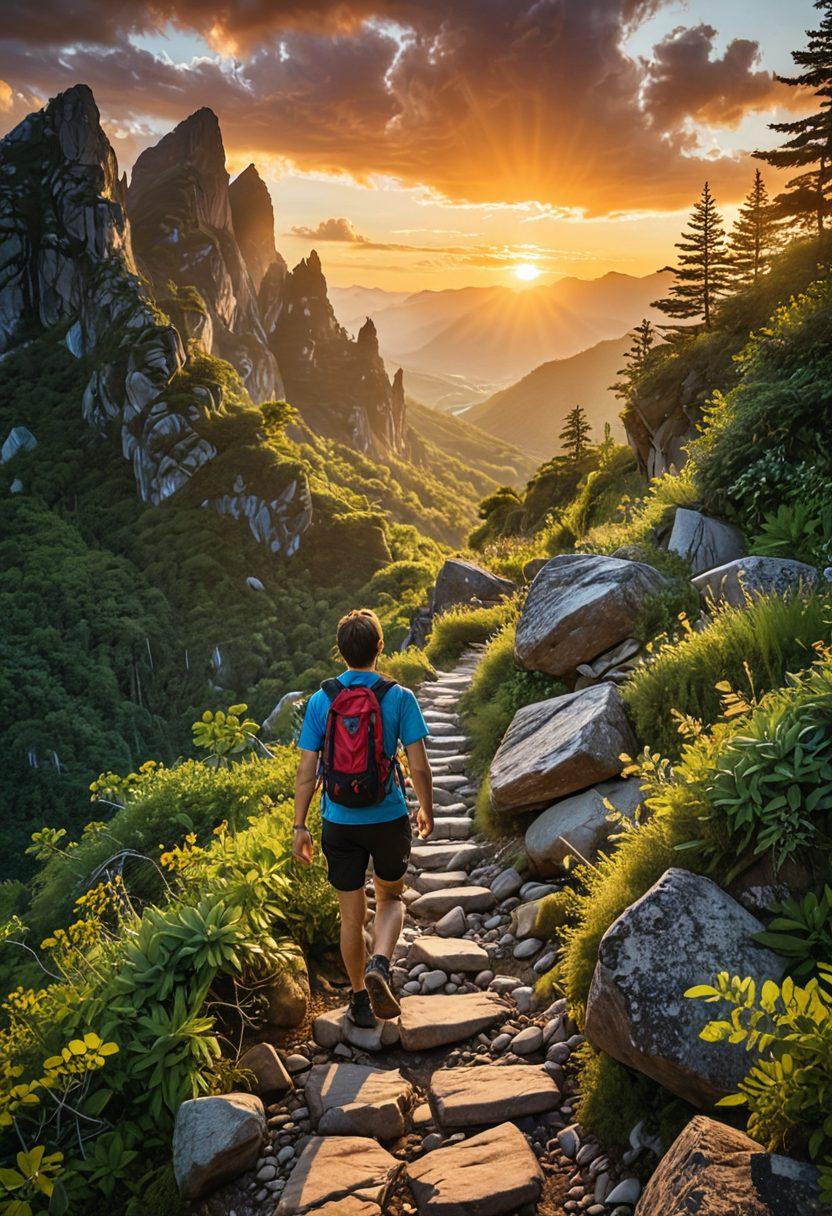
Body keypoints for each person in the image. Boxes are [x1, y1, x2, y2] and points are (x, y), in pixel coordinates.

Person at [292, 608, 434, 1027]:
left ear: (341, 652)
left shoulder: (322, 701)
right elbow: (420, 765)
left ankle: (357, 1000)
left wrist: (300, 827)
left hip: (338, 822)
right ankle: (381, 965)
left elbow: (306, 773)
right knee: (390, 898)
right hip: (388, 818)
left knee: (350, 917)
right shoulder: (399, 697)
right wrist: (426, 808)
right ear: (379, 648)